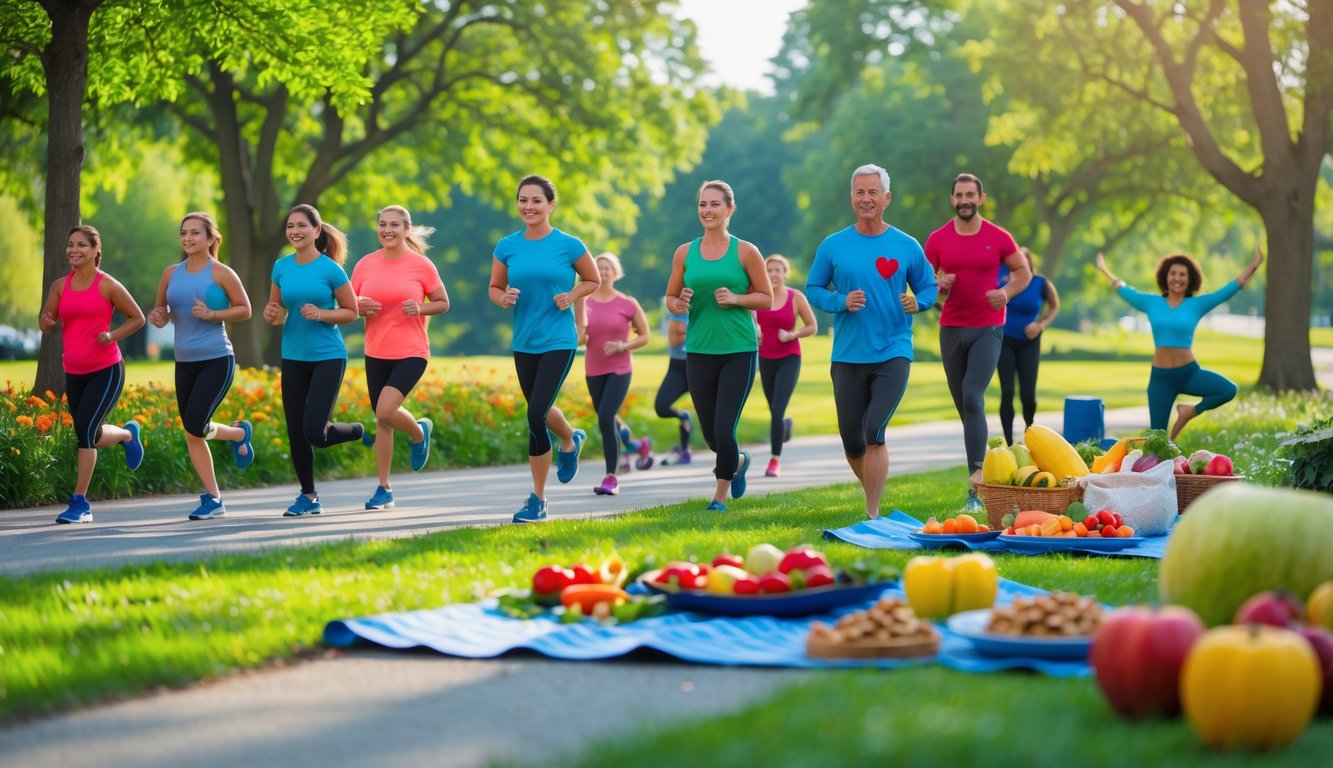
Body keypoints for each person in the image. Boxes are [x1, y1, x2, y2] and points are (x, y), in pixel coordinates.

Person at [806, 165, 937, 519]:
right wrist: (840, 301)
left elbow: (929, 286)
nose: (866, 199)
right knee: (852, 440)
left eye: (872, 192)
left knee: (873, 430)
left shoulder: (906, 245)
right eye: (859, 192)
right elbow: (813, 288)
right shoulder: (833, 245)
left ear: (886, 198)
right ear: (852, 197)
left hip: (893, 350)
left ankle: (873, 512)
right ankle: (873, 492)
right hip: (848, 354)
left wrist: (919, 301)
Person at [489, 174, 601, 523]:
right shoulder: (507, 245)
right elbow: (494, 287)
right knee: (540, 408)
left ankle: (538, 500)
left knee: (535, 415)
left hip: (559, 339)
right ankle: (570, 438)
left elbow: (593, 279)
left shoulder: (568, 245)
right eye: (523, 200)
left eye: (537, 200)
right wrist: (503, 298)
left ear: (551, 205)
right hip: (525, 341)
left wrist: (573, 295)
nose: (529, 207)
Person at [665, 179, 772, 512]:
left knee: (726, 427)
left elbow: (766, 299)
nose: (707, 211)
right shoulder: (685, 252)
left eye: (714, 204)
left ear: (730, 209)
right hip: (698, 350)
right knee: (712, 435)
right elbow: (671, 298)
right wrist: (678, 304)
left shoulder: (746, 251)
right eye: (702, 205)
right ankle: (737, 460)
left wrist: (737, 298)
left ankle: (719, 497)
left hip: (738, 350)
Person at [925, 172, 1029, 514]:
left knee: (973, 395)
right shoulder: (938, 239)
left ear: (981, 198)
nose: (964, 200)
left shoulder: (998, 236)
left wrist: (1006, 292)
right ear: (952, 199)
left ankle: (976, 483)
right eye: (959, 195)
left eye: (970, 194)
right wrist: (941, 284)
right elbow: (927, 287)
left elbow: (1022, 273)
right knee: (967, 408)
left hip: (988, 327)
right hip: (951, 328)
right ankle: (998, 469)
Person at [146, 212, 254, 521]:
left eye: (195, 233)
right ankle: (219, 484)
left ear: (210, 238)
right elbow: (163, 310)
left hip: (217, 359)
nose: (188, 238)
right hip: (184, 362)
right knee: (194, 431)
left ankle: (213, 495)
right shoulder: (170, 274)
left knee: (194, 424)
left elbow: (245, 309)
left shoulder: (221, 272)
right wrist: (159, 317)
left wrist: (212, 315)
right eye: (184, 233)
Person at [38, 225, 147, 524]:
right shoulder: (60, 285)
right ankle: (127, 434)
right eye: (70, 244)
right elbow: (46, 320)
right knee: (88, 432)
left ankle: (80, 503)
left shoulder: (107, 285)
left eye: (82, 245)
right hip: (74, 371)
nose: (74, 249)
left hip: (107, 370)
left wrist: (112, 336)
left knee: (85, 432)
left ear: (96, 251)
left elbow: (137, 317)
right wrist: (47, 321)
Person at [1095, 247, 1263, 440]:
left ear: (1189, 279)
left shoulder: (1197, 304)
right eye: (1173, 273)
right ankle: (1164, 469)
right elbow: (1122, 289)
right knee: (1157, 438)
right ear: (1165, 277)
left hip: (1188, 374)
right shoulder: (1151, 303)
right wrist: (1103, 269)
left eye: (1182, 274)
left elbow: (1230, 289)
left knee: (1228, 389)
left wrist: (1254, 265)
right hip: (1161, 380)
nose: (1177, 278)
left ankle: (1188, 412)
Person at [263, 204, 365, 517]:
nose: (295, 231)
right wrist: (272, 314)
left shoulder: (331, 269)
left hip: (327, 356)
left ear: (316, 231)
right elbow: (277, 310)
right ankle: (308, 496)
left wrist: (322, 314)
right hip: (293, 356)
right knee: (296, 430)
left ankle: (358, 431)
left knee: (314, 433)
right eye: (290, 226)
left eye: (302, 226)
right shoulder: (281, 266)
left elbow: (352, 311)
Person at [352, 205, 450, 510]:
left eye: (395, 225)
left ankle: (419, 433)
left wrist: (420, 308)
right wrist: (359, 305)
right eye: (382, 224)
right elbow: (348, 304)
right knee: (383, 420)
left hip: (411, 351)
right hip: (375, 351)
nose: (387, 230)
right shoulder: (365, 264)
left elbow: (443, 303)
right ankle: (384, 489)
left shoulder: (421, 266)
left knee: (384, 410)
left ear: (406, 230)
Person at [576, 252, 650, 496]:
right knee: (609, 419)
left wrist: (622, 346)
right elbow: (581, 336)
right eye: (599, 268)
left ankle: (611, 477)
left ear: (615, 272)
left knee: (606, 418)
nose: (603, 271)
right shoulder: (584, 301)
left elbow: (645, 336)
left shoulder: (627, 303)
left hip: (620, 369)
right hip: (593, 369)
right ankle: (637, 445)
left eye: (608, 268)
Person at [754, 254, 817, 478]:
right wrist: (756, 332)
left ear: (785, 274)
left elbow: (812, 326)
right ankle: (784, 426)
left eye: (777, 270)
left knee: (777, 410)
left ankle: (774, 461)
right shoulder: (758, 297)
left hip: (789, 358)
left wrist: (793, 334)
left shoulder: (795, 297)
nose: (772, 274)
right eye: (768, 270)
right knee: (774, 411)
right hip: (765, 359)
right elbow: (751, 322)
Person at [996, 247, 1060, 446]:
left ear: (1029, 263)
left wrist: (1040, 324)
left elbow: (1054, 306)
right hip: (1004, 340)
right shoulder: (1002, 280)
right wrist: (1001, 286)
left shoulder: (1041, 283)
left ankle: (1029, 434)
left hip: (1029, 343)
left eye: (1021, 261)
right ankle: (1008, 443)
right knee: (1007, 392)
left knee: (1028, 395)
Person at [653, 299, 693, 465]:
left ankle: (685, 450)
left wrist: (685, 333)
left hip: (700, 366)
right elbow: (674, 341)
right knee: (661, 407)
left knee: (712, 418)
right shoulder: (680, 307)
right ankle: (683, 416)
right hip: (677, 367)